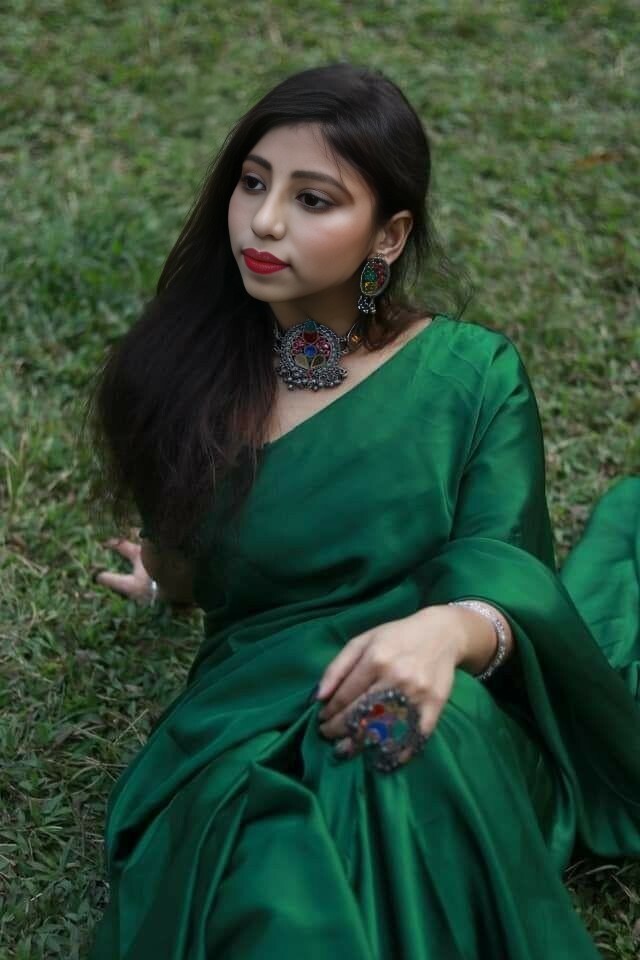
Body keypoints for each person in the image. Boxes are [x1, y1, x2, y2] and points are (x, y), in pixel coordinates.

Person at [87, 63, 640, 959]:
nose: (265, 221)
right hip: (248, 720)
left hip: (442, 702)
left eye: (313, 199)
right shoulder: (183, 376)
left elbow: (504, 565)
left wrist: (441, 634)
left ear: (388, 235)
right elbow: (191, 562)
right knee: (276, 871)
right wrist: (160, 582)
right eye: (253, 183)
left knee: (396, 750)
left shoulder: (470, 378)